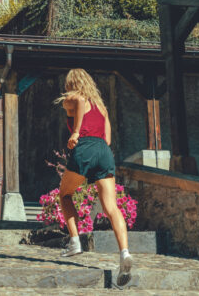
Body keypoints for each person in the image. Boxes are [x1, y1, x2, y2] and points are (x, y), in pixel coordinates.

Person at [56, 68, 133, 283]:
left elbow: (79, 100)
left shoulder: (73, 98)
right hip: (104, 152)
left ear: (71, 83)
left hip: (86, 147)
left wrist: (76, 131)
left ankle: (74, 243)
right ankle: (124, 252)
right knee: (112, 207)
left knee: (65, 194)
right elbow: (107, 139)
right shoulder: (102, 107)